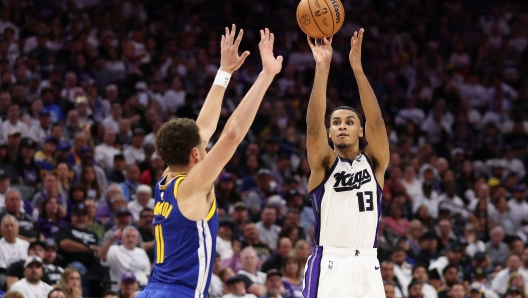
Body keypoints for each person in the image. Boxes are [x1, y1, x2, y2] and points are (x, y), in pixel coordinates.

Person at [136, 25, 282, 298]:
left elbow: (203, 127)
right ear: (195, 154)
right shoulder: (193, 186)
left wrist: (224, 72)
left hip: (153, 290)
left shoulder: (167, 178)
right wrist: (266, 75)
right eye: (201, 146)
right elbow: (232, 134)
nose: (205, 143)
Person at [302, 29, 389, 297]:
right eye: (336, 123)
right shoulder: (325, 164)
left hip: (368, 264)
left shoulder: (374, 163)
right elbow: (313, 126)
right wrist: (322, 67)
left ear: (360, 131)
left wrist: (358, 69)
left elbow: (376, 122)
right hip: (330, 264)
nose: (342, 126)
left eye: (350, 122)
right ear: (330, 133)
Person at [99, 225, 150, 291]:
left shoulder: (142, 252)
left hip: (144, 287)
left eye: (133, 237)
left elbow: (147, 274)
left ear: (137, 240)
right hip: (124, 288)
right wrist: (112, 239)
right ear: (122, 239)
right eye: (127, 236)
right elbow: (101, 256)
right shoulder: (115, 250)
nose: (130, 239)